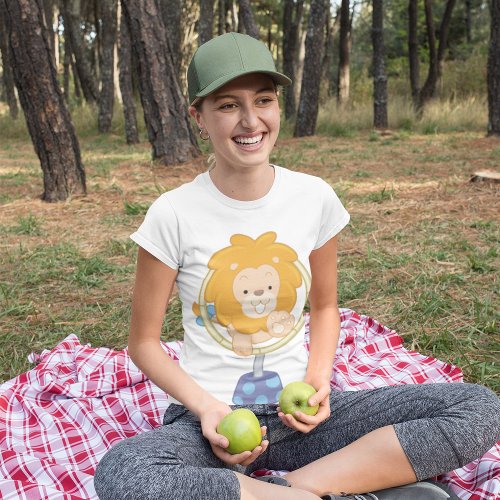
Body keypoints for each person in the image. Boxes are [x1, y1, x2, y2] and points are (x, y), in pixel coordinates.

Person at [94, 33, 500, 500]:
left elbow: (326, 306)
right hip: (211, 429)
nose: (251, 121)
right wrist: (207, 410)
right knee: (124, 472)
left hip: (303, 422)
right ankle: (345, 489)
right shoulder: (173, 213)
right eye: (228, 105)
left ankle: (297, 491)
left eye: (263, 100)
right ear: (198, 117)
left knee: (478, 406)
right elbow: (143, 343)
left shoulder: (313, 197)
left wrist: (318, 382)